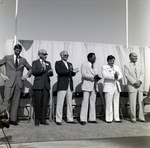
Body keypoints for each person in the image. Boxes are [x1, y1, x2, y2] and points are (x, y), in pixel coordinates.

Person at [0, 44, 32, 125]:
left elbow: (30, 68)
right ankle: (3, 120)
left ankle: (13, 119)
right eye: (16, 50)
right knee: (6, 101)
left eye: (19, 50)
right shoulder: (7, 57)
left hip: (19, 83)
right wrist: (2, 74)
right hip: (9, 82)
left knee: (16, 101)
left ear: (21, 51)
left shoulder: (23, 60)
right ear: (14, 49)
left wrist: (26, 75)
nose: (18, 51)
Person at [55, 50, 79, 125]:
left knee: (69, 102)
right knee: (60, 102)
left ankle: (70, 118)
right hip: (62, 84)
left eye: (67, 55)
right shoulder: (58, 63)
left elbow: (71, 74)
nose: (66, 57)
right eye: (65, 55)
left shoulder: (70, 64)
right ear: (61, 56)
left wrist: (74, 72)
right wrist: (69, 70)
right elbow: (59, 72)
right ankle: (58, 119)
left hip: (69, 84)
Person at [32, 49, 53, 126]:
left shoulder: (48, 63)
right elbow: (33, 72)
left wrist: (51, 73)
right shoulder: (35, 62)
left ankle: (43, 120)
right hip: (38, 85)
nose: (45, 56)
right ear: (40, 54)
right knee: (37, 103)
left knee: (45, 103)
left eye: (46, 54)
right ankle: (37, 120)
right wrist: (41, 70)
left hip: (46, 86)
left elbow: (50, 73)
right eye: (44, 54)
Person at [80, 53, 101, 125]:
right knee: (85, 101)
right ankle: (83, 119)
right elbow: (84, 74)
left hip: (94, 86)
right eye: (94, 57)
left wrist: (98, 77)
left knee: (93, 102)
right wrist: (93, 77)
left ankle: (92, 118)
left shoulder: (95, 66)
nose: (95, 59)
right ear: (89, 58)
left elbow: (96, 74)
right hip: (87, 85)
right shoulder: (84, 65)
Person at [124, 53, 145, 123]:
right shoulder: (126, 65)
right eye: (134, 56)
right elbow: (127, 75)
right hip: (132, 86)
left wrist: (139, 81)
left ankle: (141, 117)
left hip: (140, 85)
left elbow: (142, 74)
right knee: (132, 102)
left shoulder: (140, 65)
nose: (136, 57)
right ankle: (133, 117)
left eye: (136, 56)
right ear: (130, 57)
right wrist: (134, 82)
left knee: (140, 102)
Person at [101, 55, 123, 123]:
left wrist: (117, 77)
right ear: (107, 60)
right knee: (108, 102)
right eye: (110, 60)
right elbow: (105, 76)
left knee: (116, 102)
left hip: (116, 86)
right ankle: (108, 118)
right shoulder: (104, 67)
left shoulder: (117, 67)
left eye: (113, 60)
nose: (112, 62)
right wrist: (114, 77)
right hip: (108, 86)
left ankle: (116, 118)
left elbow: (121, 75)